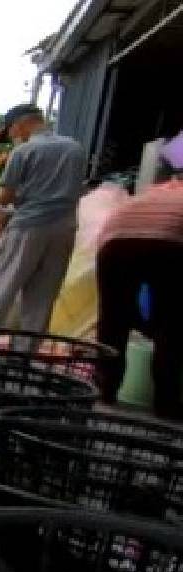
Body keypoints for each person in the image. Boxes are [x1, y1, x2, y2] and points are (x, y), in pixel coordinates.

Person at [0, 103, 87, 331]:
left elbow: (4, 197)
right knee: (41, 301)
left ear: (20, 125)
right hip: (64, 230)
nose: (11, 136)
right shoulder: (75, 149)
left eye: (10, 130)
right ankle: (24, 358)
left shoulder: (24, 151)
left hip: (28, 227)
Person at [94, 169, 183, 420]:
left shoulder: (153, 193)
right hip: (169, 242)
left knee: (112, 320)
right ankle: (166, 404)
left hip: (115, 241)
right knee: (173, 324)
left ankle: (104, 390)